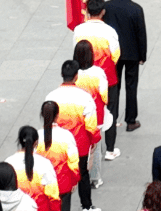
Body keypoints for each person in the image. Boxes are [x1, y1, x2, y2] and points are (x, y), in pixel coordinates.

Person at [44, 61, 98, 211]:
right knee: (82, 173)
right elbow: (91, 124)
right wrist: (93, 141)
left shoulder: (51, 96)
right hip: (80, 144)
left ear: (62, 75)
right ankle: (86, 205)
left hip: (56, 145)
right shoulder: (85, 97)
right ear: (76, 76)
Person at [102, 0, 147, 141]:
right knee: (131, 86)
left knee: (114, 86)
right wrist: (142, 55)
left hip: (113, 54)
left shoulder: (107, 7)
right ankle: (131, 120)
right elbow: (141, 34)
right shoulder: (136, 9)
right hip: (132, 54)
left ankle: (111, 119)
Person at [71, 39, 111, 180]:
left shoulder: (74, 74)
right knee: (96, 149)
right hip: (96, 116)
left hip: (76, 116)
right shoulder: (98, 73)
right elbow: (104, 95)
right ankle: (95, 177)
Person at [35, 102, 79, 211]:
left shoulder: (37, 136)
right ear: (57, 115)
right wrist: (74, 179)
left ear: (42, 114)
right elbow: (73, 160)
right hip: (63, 181)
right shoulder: (66, 135)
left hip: (43, 184)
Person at [5, 128, 60, 211]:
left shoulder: (8, 162)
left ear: (19, 141)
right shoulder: (44, 163)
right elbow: (53, 193)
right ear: (36, 142)